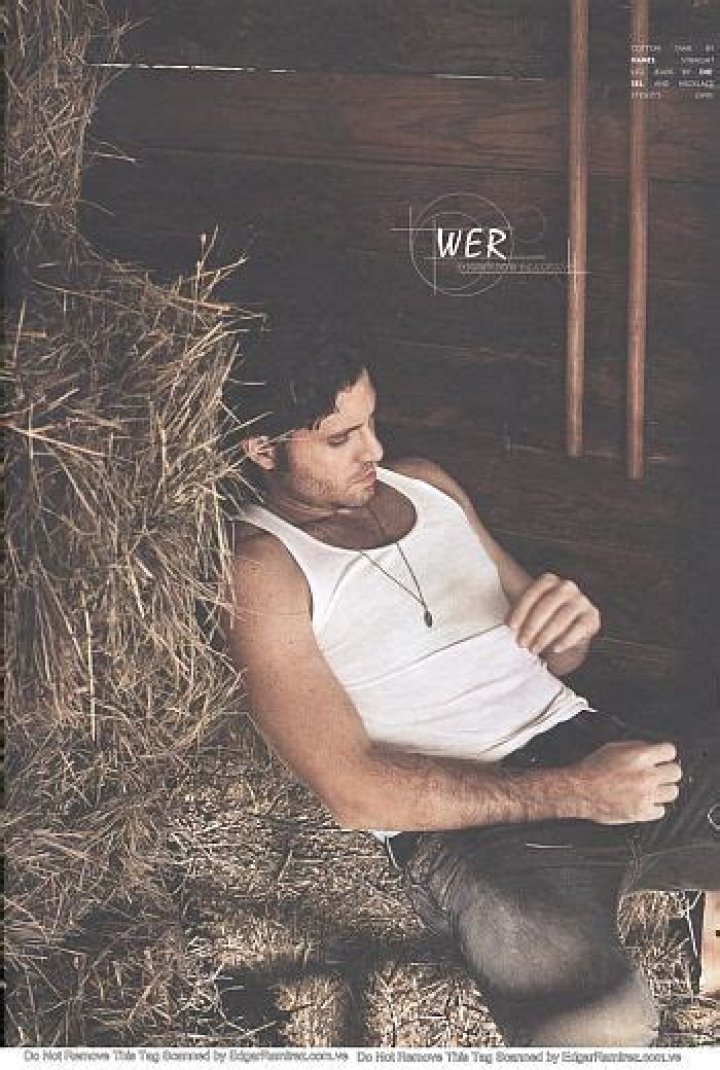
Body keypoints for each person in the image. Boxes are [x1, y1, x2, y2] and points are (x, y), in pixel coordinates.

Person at [222, 316, 720, 1047]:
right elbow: (353, 793)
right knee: (597, 1031)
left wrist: (574, 631)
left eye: (372, 422)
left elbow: (552, 654)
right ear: (263, 448)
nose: (374, 450)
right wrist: (576, 792)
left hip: (592, 746)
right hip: (474, 829)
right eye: (340, 439)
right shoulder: (264, 567)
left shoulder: (427, 485)